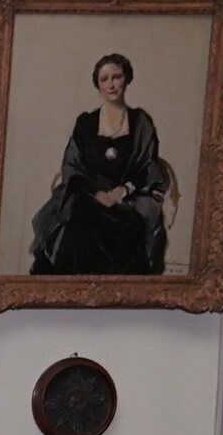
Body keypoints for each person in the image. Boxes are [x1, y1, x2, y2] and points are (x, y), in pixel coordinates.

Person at [29, 53, 171, 275]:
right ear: (97, 84)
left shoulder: (141, 122)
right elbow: (73, 167)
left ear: (127, 79)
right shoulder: (85, 123)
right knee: (78, 214)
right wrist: (96, 193)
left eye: (117, 77)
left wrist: (122, 192)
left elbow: (148, 167)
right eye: (104, 79)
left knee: (130, 223)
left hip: (130, 199)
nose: (111, 85)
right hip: (88, 195)